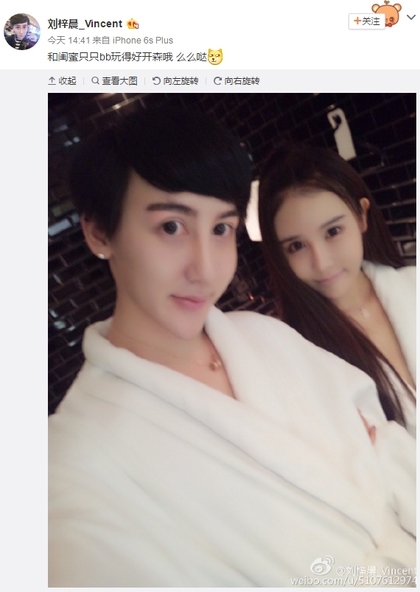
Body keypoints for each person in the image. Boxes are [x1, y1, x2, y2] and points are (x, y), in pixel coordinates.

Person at [49, 108, 415, 587]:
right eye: (171, 227)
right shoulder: (71, 463)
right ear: (100, 232)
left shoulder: (267, 337)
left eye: (221, 228)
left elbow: (393, 452)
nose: (205, 269)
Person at [258, 142, 416, 438]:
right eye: (296, 246)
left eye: (332, 232)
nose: (321, 263)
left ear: (361, 216)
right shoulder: (296, 354)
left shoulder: (414, 285)